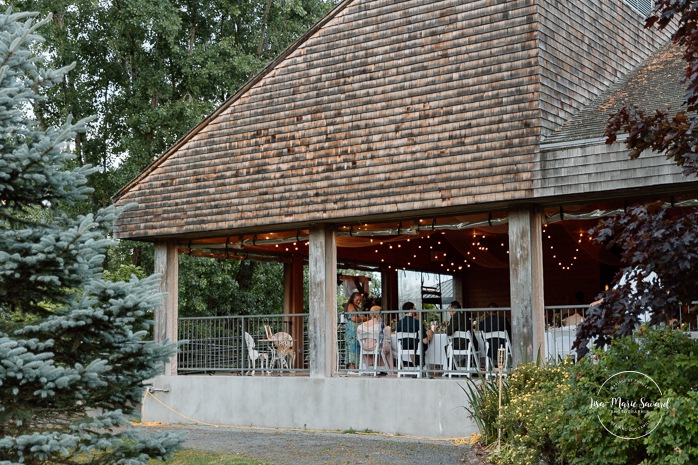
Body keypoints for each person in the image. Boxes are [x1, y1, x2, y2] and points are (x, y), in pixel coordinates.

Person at [356, 305, 394, 373]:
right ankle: (390, 369)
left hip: (365, 347)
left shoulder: (362, 326)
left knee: (383, 346)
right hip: (376, 346)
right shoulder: (380, 325)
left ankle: (375, 366)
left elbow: (358, 332)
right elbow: (387, 336)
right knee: (388, 346)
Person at [396, 301, 433, 366]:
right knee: (424, 341)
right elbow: (425, 341)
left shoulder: (399, 323)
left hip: (404, 347)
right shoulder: (417, 323)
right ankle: (421, 366)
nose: (416, 311)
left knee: (415, 344)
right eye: (414, 309)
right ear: (411, 310)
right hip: (416, 347)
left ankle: (415, 365)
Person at [344, 291, 365, 371]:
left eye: (360, 300)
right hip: (352, 332)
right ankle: (352, 368)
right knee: (352, 349)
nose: (358, 301)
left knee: (356, 348)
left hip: (356, 332)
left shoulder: (355, 307)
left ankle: (355, 368)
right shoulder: (350, 305)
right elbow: (354, 318)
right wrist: (364, 319)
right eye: (357, 300)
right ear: (353, 299)